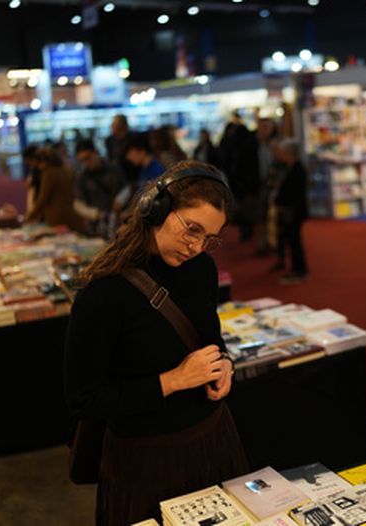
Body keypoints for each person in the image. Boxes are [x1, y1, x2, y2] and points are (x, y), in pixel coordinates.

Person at [64, 160, 247, 525]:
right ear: (155, 208)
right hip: (145, 459)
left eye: (209, 238)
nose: (196, 246)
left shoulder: (201, 269)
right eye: (191, 229)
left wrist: (223, 362)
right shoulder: (104, 293)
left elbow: (210, 337)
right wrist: (173, 380)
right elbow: (85, 399)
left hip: (214, 438)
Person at [272, 139, 309, 284]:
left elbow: (294, 193)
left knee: (295, 241)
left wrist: (280, 198)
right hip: (291, 210)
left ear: (290, 153)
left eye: (283, 152)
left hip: (294, 211)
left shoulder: (297, 169)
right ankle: (297, 269)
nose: (280, 154)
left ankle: (300, 270)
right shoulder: (290, 167)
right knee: (292, 241)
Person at [25, 147, 86, 233]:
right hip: (74, 213)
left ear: (44, 161)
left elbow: (43, 198)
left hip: (57, 216)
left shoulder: (49, 173)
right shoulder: (68, 170)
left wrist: (30, 216)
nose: (38, 167)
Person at [74, 139, 124, 236]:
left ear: (95, 152)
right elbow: (78, 203)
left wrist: (120, 200)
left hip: (118, 221)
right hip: (95, 226)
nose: (86, 162)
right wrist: (94, 213)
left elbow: (126, 188)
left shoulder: (114, 169)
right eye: (82, 160)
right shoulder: (82, 178)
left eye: (88, 157)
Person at [114, 133, 167, 212]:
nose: (128, 157)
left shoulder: (157, 170)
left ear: (142, 151)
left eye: (130, 152)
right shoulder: (144, 169)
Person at [256, 118, 279, 255]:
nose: (264, 130)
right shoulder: (256, 144)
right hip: (261, 183)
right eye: (262, 127)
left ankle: (274, 244)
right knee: (262, 215)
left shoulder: (276, 143)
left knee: (274, 215)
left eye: (267, 127)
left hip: (274, 183)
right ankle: (265, 242)